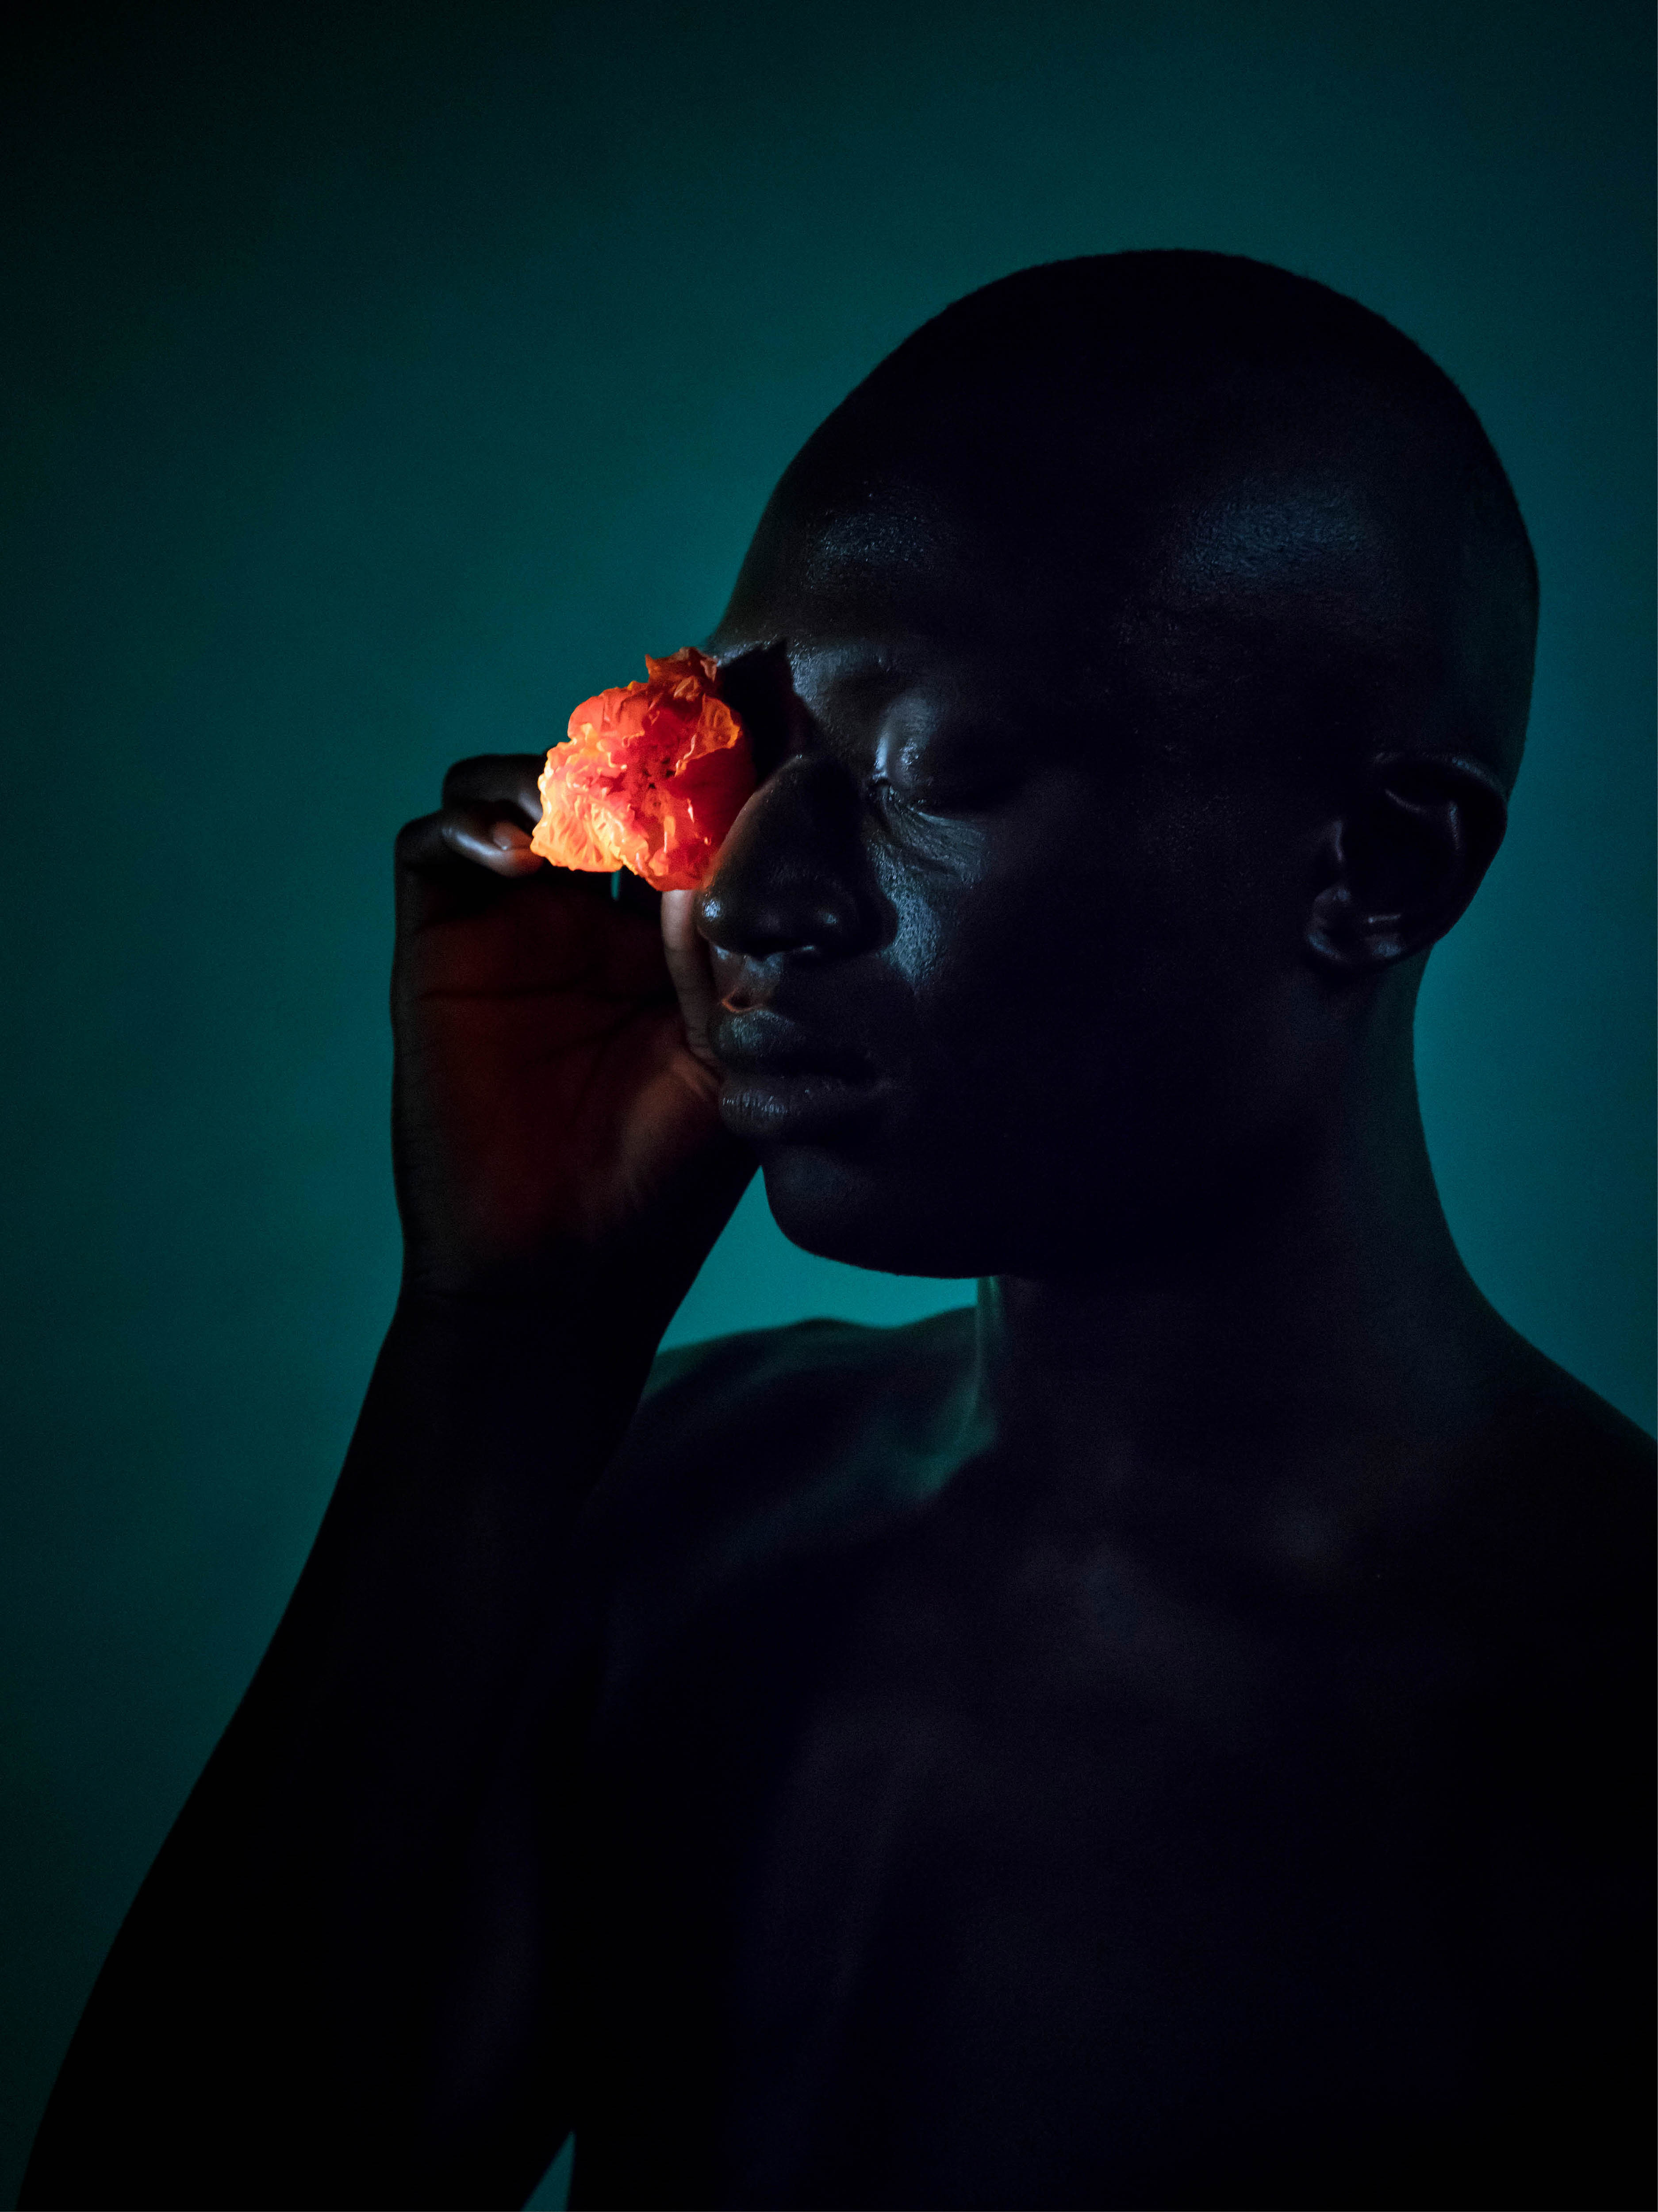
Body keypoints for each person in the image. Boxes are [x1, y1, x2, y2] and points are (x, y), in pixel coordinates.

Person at [23, 252, 1652, 2212]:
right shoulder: (685, 1505)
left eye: (935, 770)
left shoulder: (1601, 1714)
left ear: (1376, 866)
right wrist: (508, 1340)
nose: (753, 894)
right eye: (740, 746)